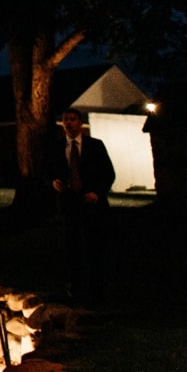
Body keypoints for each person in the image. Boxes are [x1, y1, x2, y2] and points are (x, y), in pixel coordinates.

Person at [46, 107, 115, 304]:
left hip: (91, 203)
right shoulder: (57, 147)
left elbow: (108, 173)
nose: (68, 123)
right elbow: (48, 171)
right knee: (72, 247)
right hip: (69, 204)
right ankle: (75, 287)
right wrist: (53, 182)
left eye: (72, 119)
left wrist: (97, 193)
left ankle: (98, 289)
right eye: (65, 119)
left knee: (95, 246)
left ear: (80, 123)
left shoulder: (95, 146)